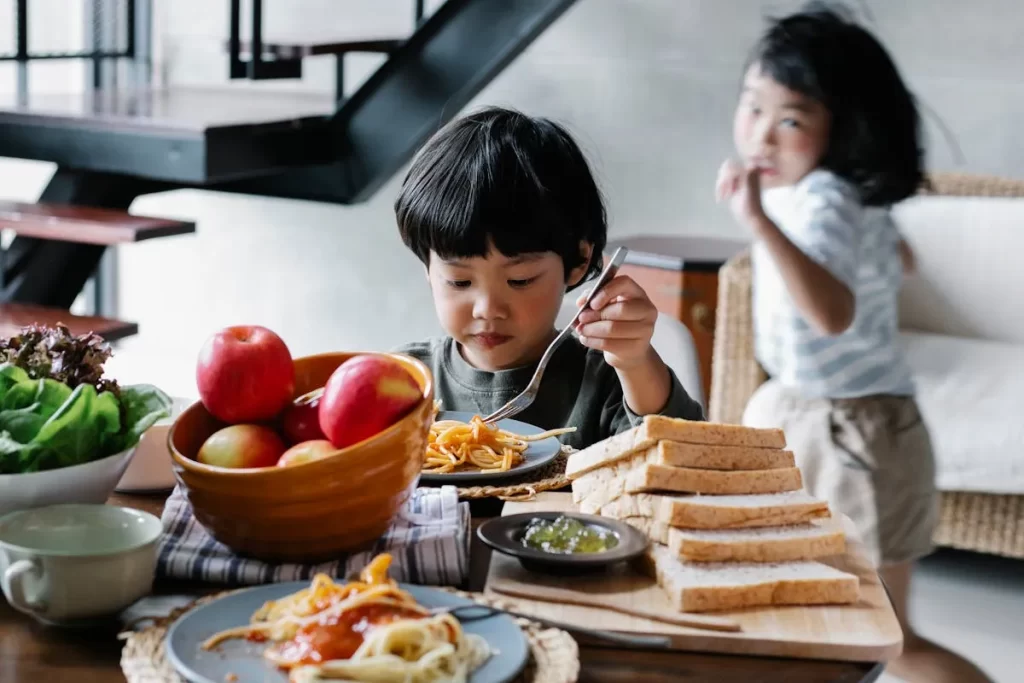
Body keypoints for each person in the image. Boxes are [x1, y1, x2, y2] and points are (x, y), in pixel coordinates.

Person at [717, 6, 991, 682]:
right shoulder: (820, 192)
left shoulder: (825, 199)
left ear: (842, 130)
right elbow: (901, 263)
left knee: (885, 635)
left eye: (791, 120)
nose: (761, 135)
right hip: (812, 412)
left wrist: (757, 222)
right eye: (753, 107)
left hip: (858, 430)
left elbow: (832, 312)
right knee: (811, 612)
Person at [394, 106, 703, 450]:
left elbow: (689, 458)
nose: (488, 309)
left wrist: (635, 363)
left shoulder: (604, 381)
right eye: (459, 281)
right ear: (428, 269)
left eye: (520, 280)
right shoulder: (403, 380)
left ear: (578, 262)